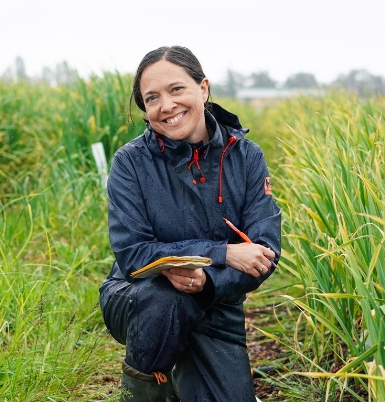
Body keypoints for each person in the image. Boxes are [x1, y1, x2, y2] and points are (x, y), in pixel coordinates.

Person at [99, 46, 282, 402]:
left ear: (203, 88)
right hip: (138, 297)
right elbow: (133, 253)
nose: (166, 105)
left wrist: (209, 280)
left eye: (176, 89)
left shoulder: (247, 157)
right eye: (152, 98)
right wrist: (223, 253)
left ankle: (182, 382)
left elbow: (263, 254)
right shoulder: (130, 163)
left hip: (215, 304)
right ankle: (144, 393)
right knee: (166, 297)